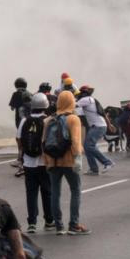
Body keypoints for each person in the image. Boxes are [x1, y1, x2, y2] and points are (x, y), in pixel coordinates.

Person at [44, 91, 90, 235]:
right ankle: (74, 225)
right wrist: (78, 158)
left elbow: (43, 143)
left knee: (55, 193)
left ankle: (59, 226)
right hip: (69, 161)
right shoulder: (73, 119)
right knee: (75, 191)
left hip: (53, 161)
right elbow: (76, 141)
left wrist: (47, 161)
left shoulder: (48, 120)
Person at [17, 93, 54, 233]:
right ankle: (49, 221)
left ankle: (32, 222)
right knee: (47, 192)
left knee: (31, 193)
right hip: (45, 163)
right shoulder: (48, 120)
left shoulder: (24, 121)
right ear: (46, 106)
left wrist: (22, 153)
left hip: (28, 163)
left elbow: (19, 140)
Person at [76, 85, 115, 175]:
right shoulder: (93, 100)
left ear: (83, 93)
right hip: (100, 126)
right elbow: (103, 113)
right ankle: (94, 169)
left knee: (89, 146)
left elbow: (73, 105)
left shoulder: (85, 99)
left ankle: (107, 162)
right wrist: (109, 124)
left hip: (98, 126)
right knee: (87, 147)